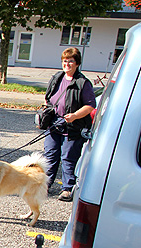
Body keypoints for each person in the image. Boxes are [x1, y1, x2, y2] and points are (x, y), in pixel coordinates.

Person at [43, 47, 96, 202]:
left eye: (70, 61)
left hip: (73, 127)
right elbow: (48, 98)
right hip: (54, 124)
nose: (67, 64)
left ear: (77, 63)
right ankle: (45, 185)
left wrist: (74, 116)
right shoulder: (57, 78)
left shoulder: (83, 83)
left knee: (68, 157)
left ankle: (67, 188)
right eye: (65, 61)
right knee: (50, 155)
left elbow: (90, 105)